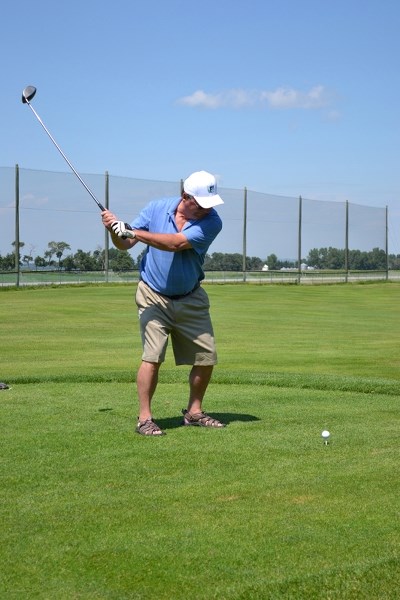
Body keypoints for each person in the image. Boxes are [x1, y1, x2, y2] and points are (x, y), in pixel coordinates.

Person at [101, 170, 226, 436]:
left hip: (191, 296)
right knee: (153, 357)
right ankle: (144, 419)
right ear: (186, 197)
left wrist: (132, 230)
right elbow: (125, 244)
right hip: (152, 294)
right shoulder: (156, 208)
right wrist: (116, 231)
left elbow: (175, 244)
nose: (207, 209)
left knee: (206, 358)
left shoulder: (213, 222)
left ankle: (194, 413)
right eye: (202, 204)